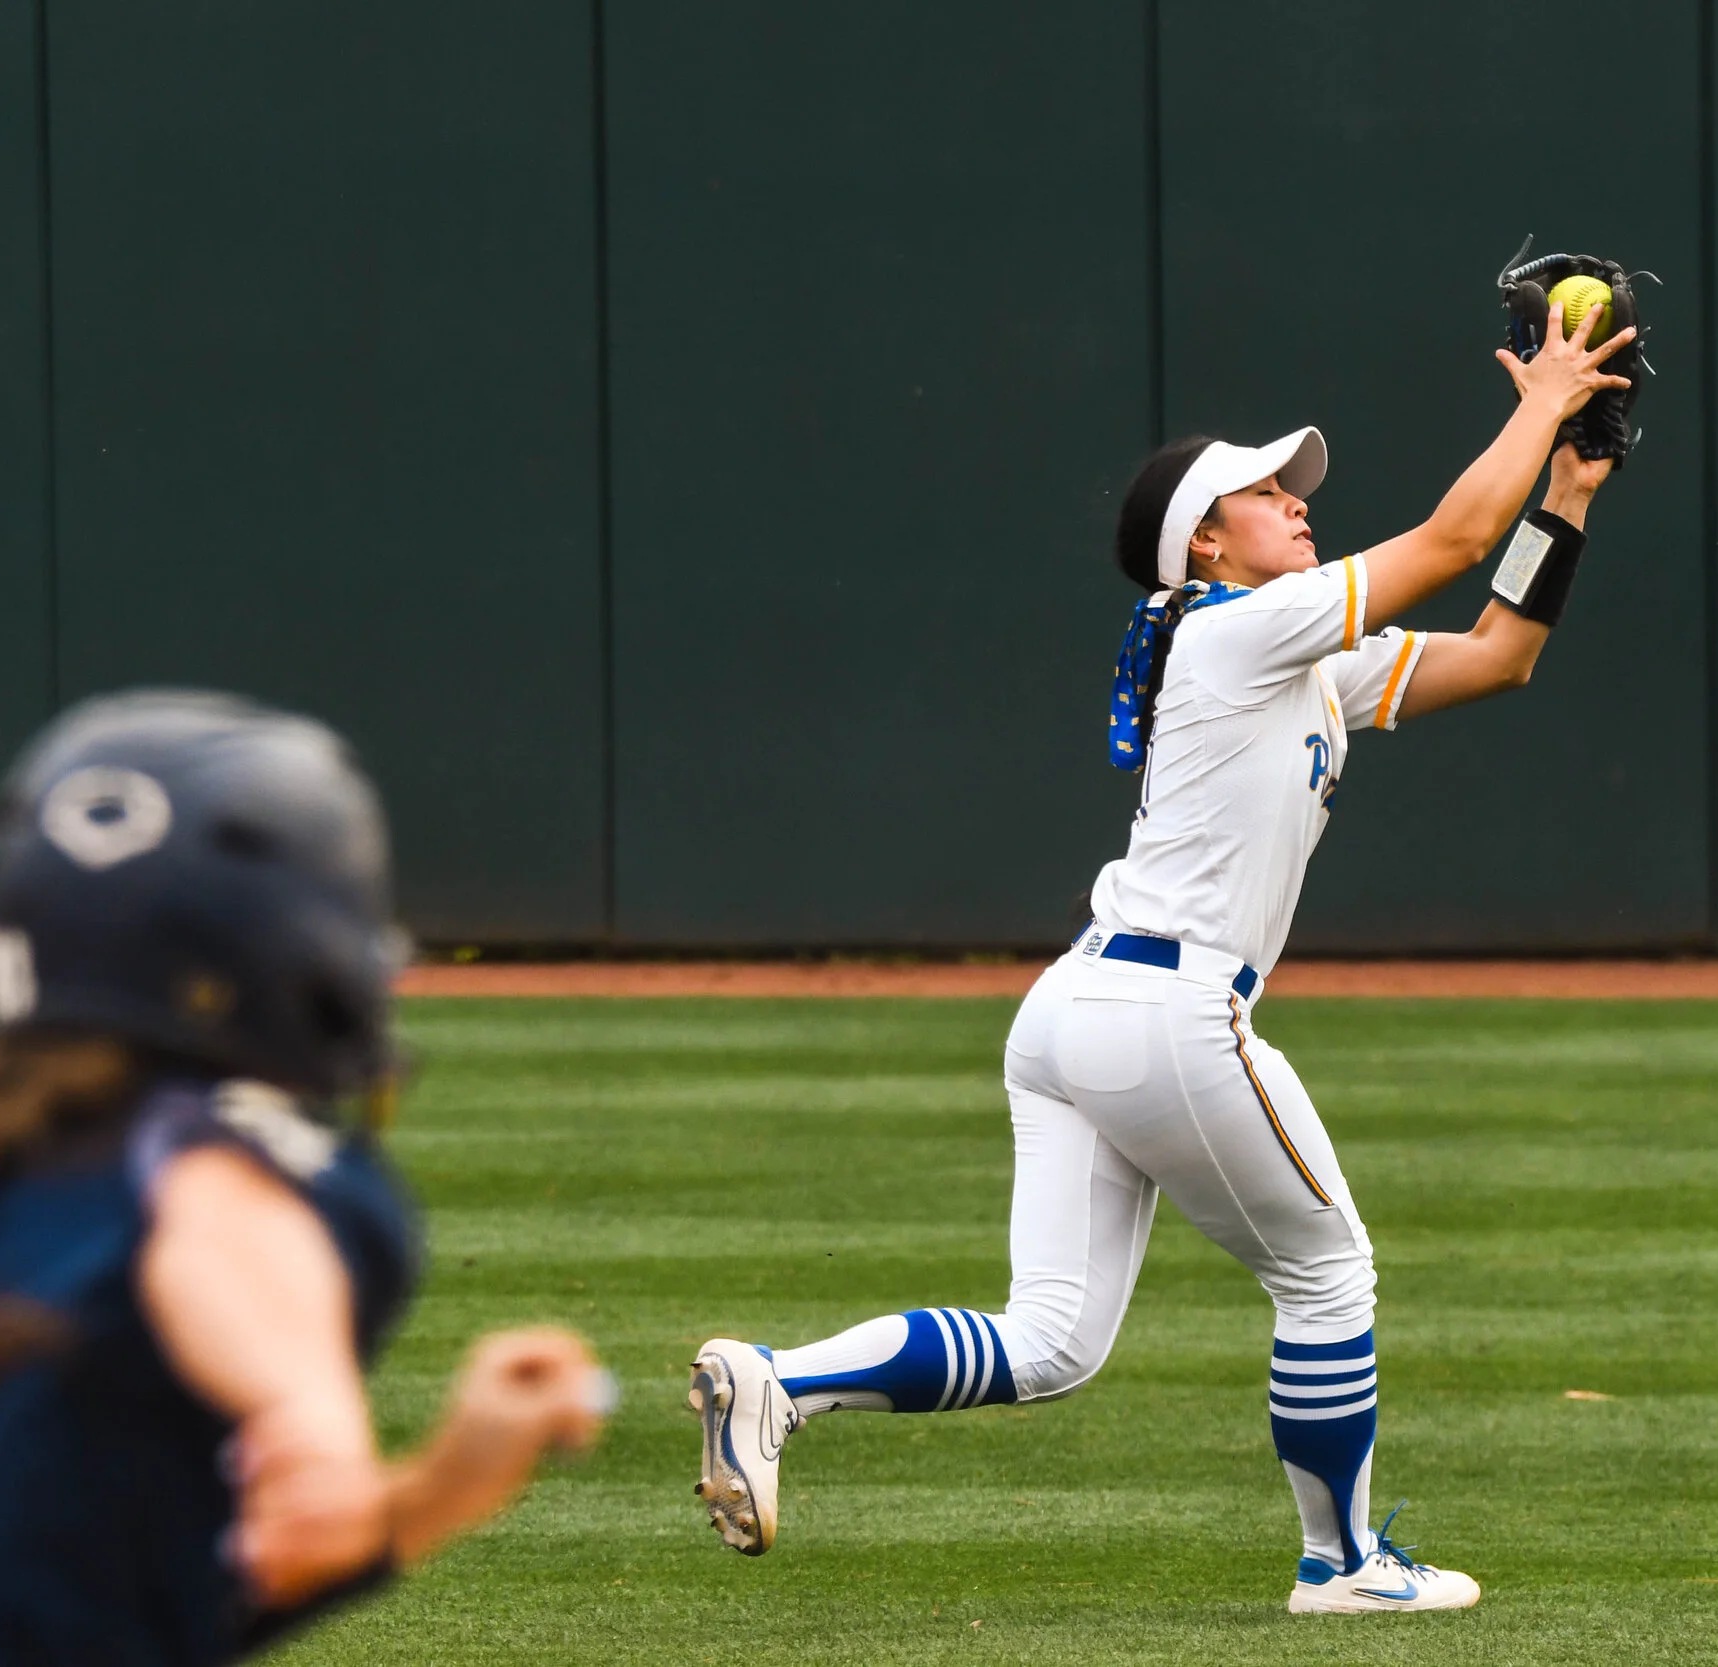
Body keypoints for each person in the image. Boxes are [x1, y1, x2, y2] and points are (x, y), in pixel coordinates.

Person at [688, 304, 1637, 1614]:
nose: (1298, 505)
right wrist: (1545, 398)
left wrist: (1570, 496)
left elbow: (1497, 654)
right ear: (1205, 538)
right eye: (1266, 492)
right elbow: (1453, 538)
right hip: (1171, 1008)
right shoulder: (1237, 628)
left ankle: (775, 1382)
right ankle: (1342, 1562)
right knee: (1326, 1268)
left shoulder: (1290, 653)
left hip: (1077, 1006)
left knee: (1052, 1341)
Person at [0, 691, 608, 1665]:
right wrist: (309, 1417)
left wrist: (442, 1486)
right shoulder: (219, 1151)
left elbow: (98, 1594)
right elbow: (210, 1219)